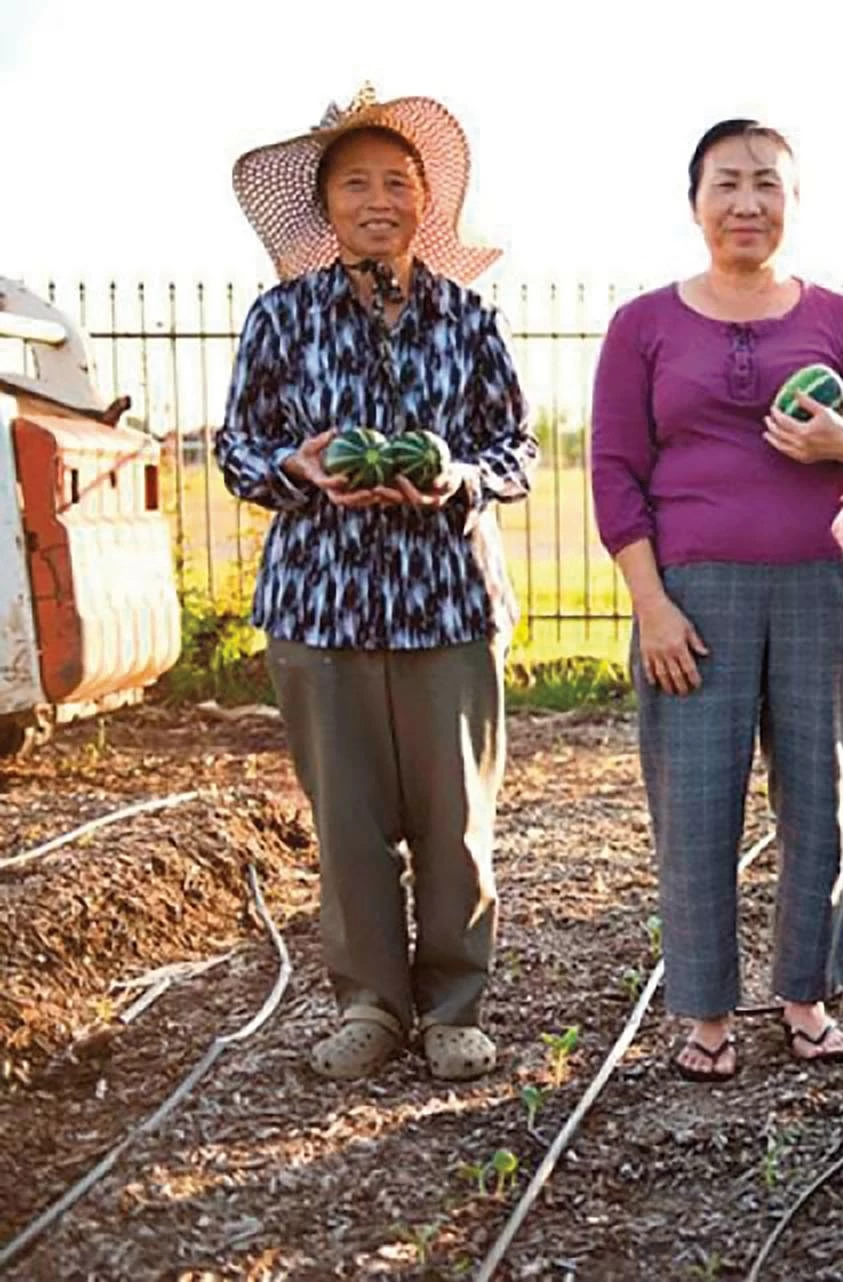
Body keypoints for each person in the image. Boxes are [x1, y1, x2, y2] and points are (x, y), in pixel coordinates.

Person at [591, 119, 843, 1084]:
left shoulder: (837, 315)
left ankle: (805, 996)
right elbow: (615, 474)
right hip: (692, 597)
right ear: (695, 199)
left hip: (824, 587)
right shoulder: (644, 325)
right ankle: (705, 1012)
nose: (748, 203)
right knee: (696, 807)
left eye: (767, 184)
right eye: (728, 183)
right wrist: (651, 606)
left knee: (820, 801)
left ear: (792, 200)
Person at [218, 85, 537, 1081]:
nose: (379, 198)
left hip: (448, 603)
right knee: (348, 825)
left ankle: (451, 1007)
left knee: (455, 825)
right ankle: (369, 1005)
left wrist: (458, 475)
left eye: (397, 181)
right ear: (325, 207)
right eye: (356, 182)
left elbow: (516, 452)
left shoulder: (470, 318)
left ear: (424, 202)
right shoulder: (280, 319)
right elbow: (234, 448)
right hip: (320, 606)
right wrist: (297, 469)